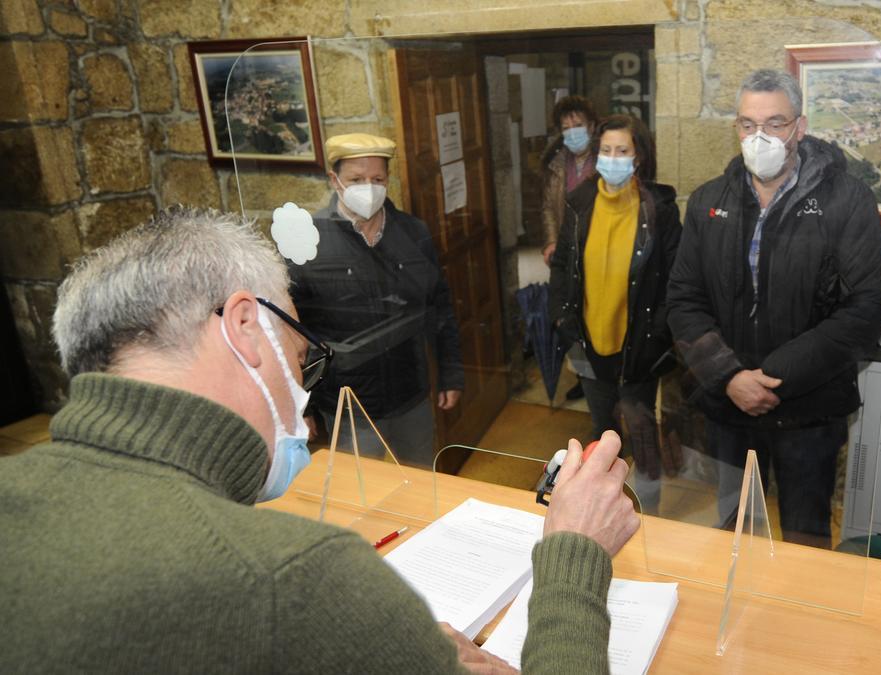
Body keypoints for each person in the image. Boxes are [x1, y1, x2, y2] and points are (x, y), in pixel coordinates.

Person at [0, 207, 640, 673]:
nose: (304, 406)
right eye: (302, 356)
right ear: (246, 327)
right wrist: (574, 556)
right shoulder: (296, 576)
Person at [666, 69, 881, 547]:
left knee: (804, 543)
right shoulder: (709, 201)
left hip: (809, 411)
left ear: (800, 127)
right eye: (748, 124)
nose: (759, 136)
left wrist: (771, 377)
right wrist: (730, 378)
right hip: (728, 408)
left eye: (774, 123)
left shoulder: (847, 201)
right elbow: (684, 299)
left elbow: (866, 309)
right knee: (731, 533)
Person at [289, 132, 464, 466]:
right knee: (360, 498)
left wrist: (451, 373)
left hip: (409, 395)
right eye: (356, 179)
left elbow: (439, 309)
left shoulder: (413, 233)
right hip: (348, 403)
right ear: (334, 179)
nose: (368, 188)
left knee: (421, 484)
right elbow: (296, 332)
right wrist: (305, 407)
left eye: (377, 179)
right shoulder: (309, 242)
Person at [549, 115, 682, 513]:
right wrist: (563, 322)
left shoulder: (659, 208)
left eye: (622, 150)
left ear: (638, 156)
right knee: (600, 433)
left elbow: (675, 279)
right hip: (589, 343)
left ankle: (648, 516)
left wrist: (659, 335)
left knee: (641, 435)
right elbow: (563, 267)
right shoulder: (579, 203)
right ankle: (599, 511)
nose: (613, 158)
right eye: (605, 150)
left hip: (639, 347)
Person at [540, 96, 598, 267]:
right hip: (567, 244)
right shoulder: (554, 164)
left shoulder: (606, 162)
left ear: (591, 126)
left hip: (597, 244)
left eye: (579, 126)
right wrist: (551, 241)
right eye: (566, 128)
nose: (573, 133)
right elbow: (548, 208)